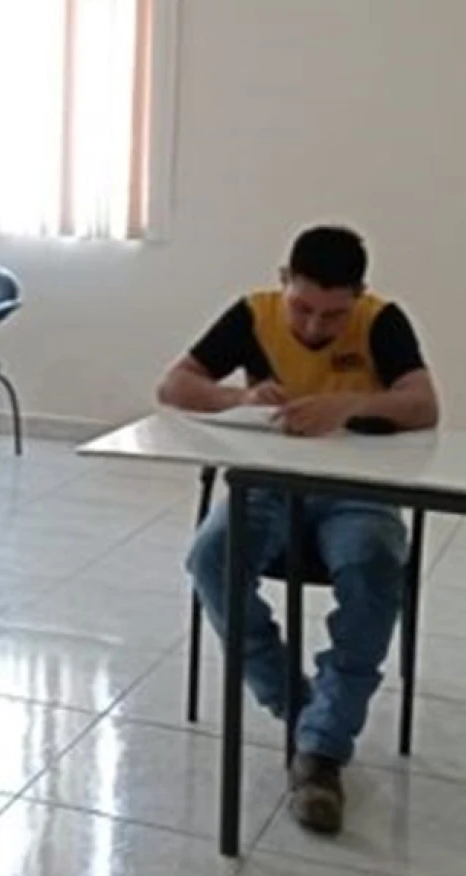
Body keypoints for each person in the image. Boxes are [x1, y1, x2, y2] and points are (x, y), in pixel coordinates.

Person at [158, 226, 439, 835]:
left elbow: (423, 405)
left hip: (358, 491)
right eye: (303, 308)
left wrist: (350, 405)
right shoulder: (253, 314)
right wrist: (238, 399)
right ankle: (299, 705)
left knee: (373, 566)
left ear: (358, 295)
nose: (315, 326)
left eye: (333, 314)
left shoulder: (381, 320)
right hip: (267, 484)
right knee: (212, 558)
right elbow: (175, 385)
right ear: (284, 281)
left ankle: (321, 751)